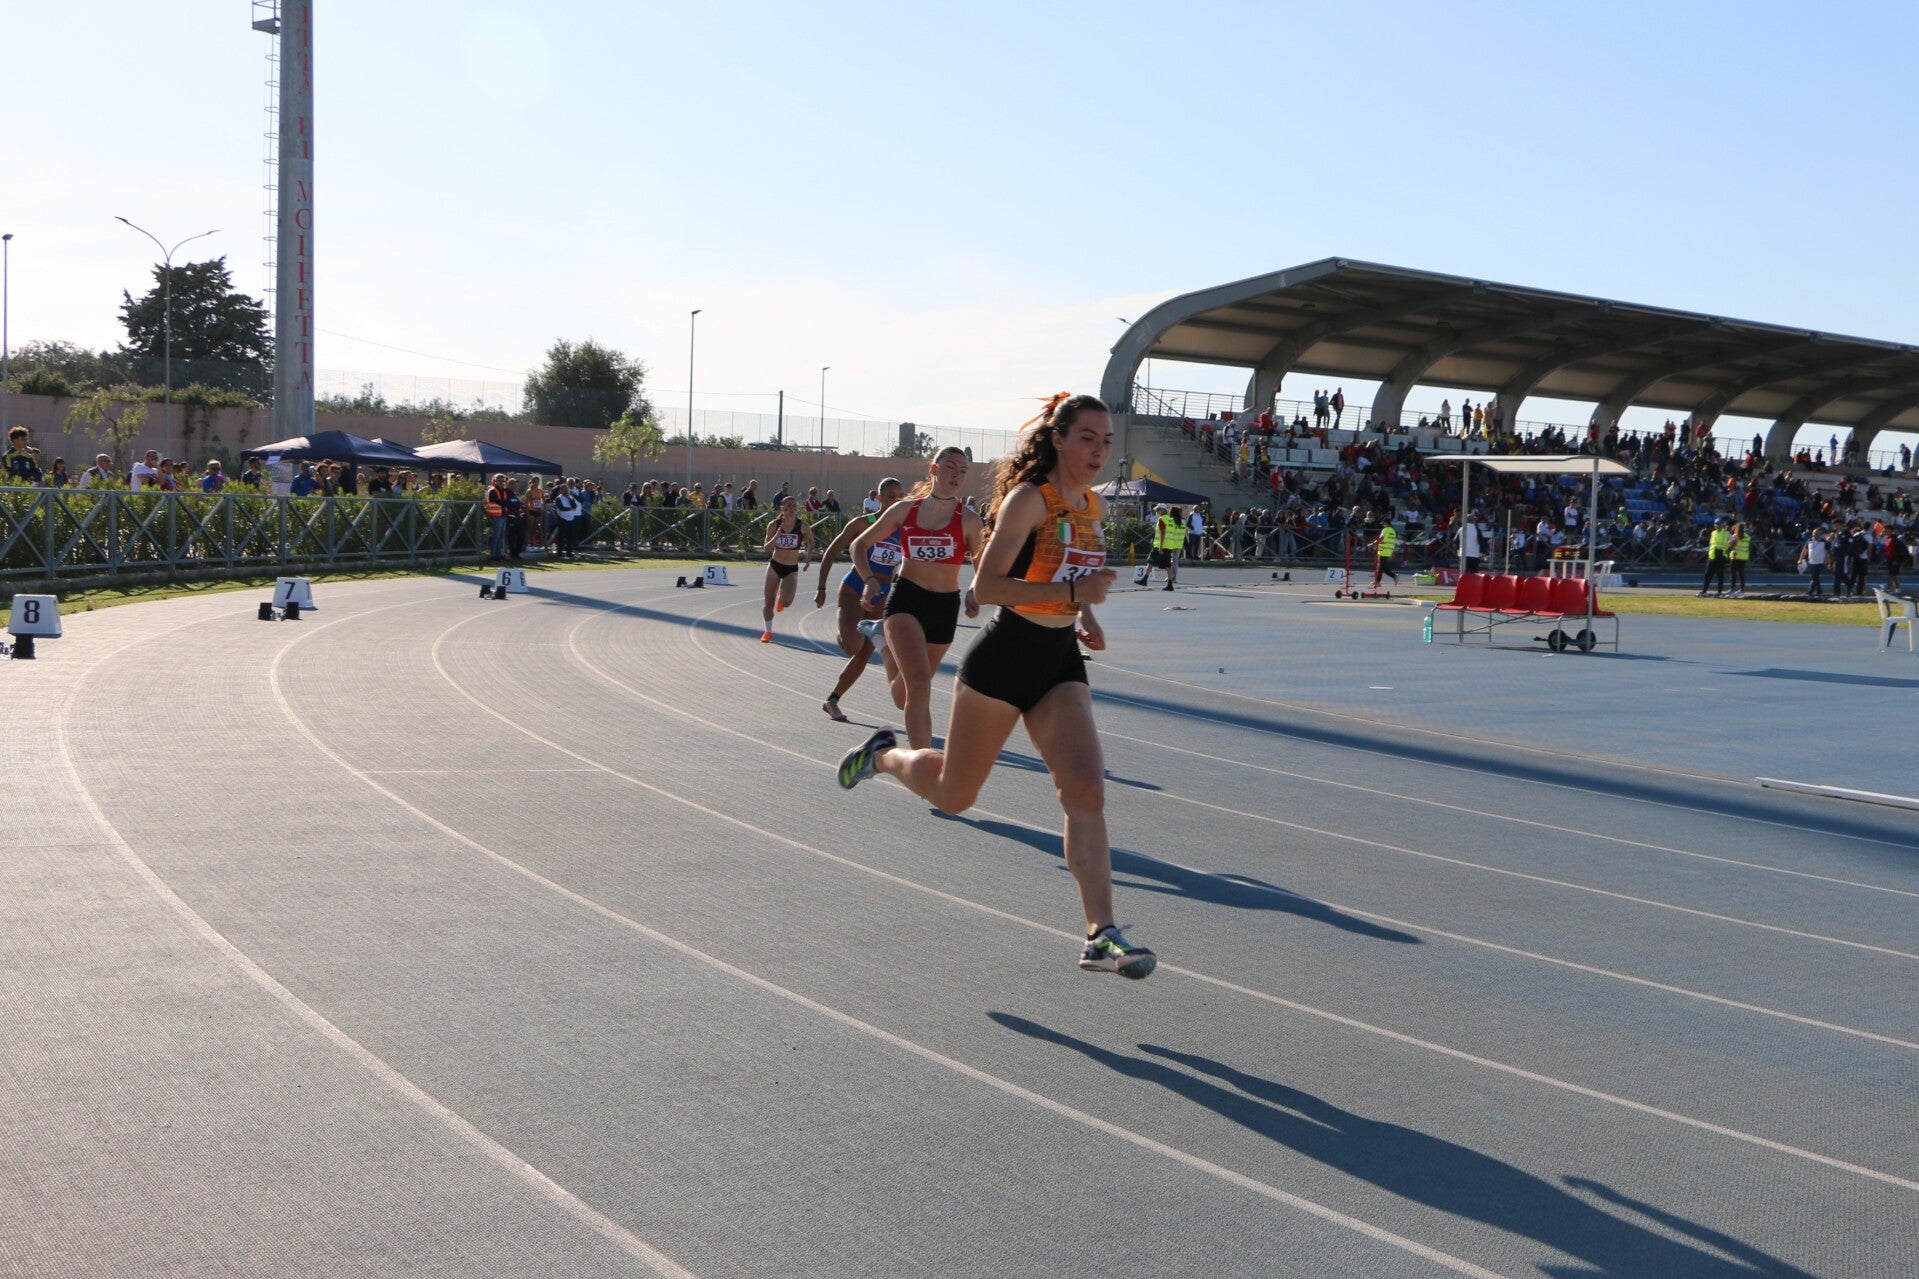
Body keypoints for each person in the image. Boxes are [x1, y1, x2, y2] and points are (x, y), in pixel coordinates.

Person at [836, 393, 1154, 980]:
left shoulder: (1094, 506)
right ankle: (882, 756)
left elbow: (1072, 574)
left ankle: (1100, 933)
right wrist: (1075, 596)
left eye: (1107, 442)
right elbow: (987, 587)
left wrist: (1084, 614)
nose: (1098, 452)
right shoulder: (1028, 500)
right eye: (1087, 438)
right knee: (954, 795)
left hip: (1059, 661)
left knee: (1086, 790)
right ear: (1058, 439)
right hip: (1004, 659)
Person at [848, 446, 981, 750]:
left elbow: (981, 564)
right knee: (920, 688)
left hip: (944, 608)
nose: (957, 475)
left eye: (963, 471)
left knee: (904, 697)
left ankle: (882, 644)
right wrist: (869, 580)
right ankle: (924, 766)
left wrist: (974, 590)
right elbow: (859, 545)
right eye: (950, 467)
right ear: (934, 469)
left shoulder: (970, 520)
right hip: (907, 601)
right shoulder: (904, 510)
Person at [814, 476, 906, 720]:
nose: (897, 501)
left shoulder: (906, 530)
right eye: (892, 497)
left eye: (901, 497)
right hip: (854, 587)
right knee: (853, 644)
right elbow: (831, 552)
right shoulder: (863, 523)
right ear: (879, 498)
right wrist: (821, 588)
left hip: (881, 593)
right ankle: (845, 634)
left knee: (865, 653)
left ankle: (832, 700)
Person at [759, 496, 815, 642]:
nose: (791, 509)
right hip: (775, 566)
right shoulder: (773, 525)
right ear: (782, 509)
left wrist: (808, 559)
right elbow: (766, 549)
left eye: (794, 506)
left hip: (791, 568)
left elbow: (811, 541)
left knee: (787, 602)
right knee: (768, 603)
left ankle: (781, 598)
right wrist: (776, 536)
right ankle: (768, 631)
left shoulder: (803, 526)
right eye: (788, 506)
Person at [1699, 517, 1731, 597]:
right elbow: (1711, 544)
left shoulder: (1726, 533)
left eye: (1719, 524)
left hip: (1721, 555)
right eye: (1716, 524)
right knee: (1707, 574)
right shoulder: (1713, 533)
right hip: (1712, 555)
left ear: (1722, 525)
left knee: (1720, 574)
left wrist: (1729, 550)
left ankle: (1719, 591)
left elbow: (1733, 541)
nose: (1717, 525)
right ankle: (1704, 590)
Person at [485, 472, 512, 560]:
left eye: (503, 481)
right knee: (496, 536)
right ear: (494, 481)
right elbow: (498, 501)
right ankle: (493, 555)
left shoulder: (503, 491)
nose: (501, 482)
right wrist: (507, 503)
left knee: (500, 537)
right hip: (495, 516)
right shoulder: (492, 491)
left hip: (502, 515)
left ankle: (498, 554)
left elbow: (506, 501)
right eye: (499, 480)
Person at [1372, 518, 1399, 588]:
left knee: (1382, 567)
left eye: (1383, 523)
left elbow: (1380, 539)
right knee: (1380, 567)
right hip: (1388, 550)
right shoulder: (1393, 531)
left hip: (1383, 550)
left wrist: (1372, 544)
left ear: (1386, 523)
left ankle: (1394, 576)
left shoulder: (1385, 530)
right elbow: (1392, 541)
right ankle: (1377, 582)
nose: (1382, 525)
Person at [1728, 521, 1751, 597]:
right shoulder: (1747, 536)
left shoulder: (1735, 536)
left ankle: (1732, 588)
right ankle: (1742, 588)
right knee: (1741, 573)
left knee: (1733, 573)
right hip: (1744, 557)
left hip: (1735, 556)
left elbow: (1730, 544)